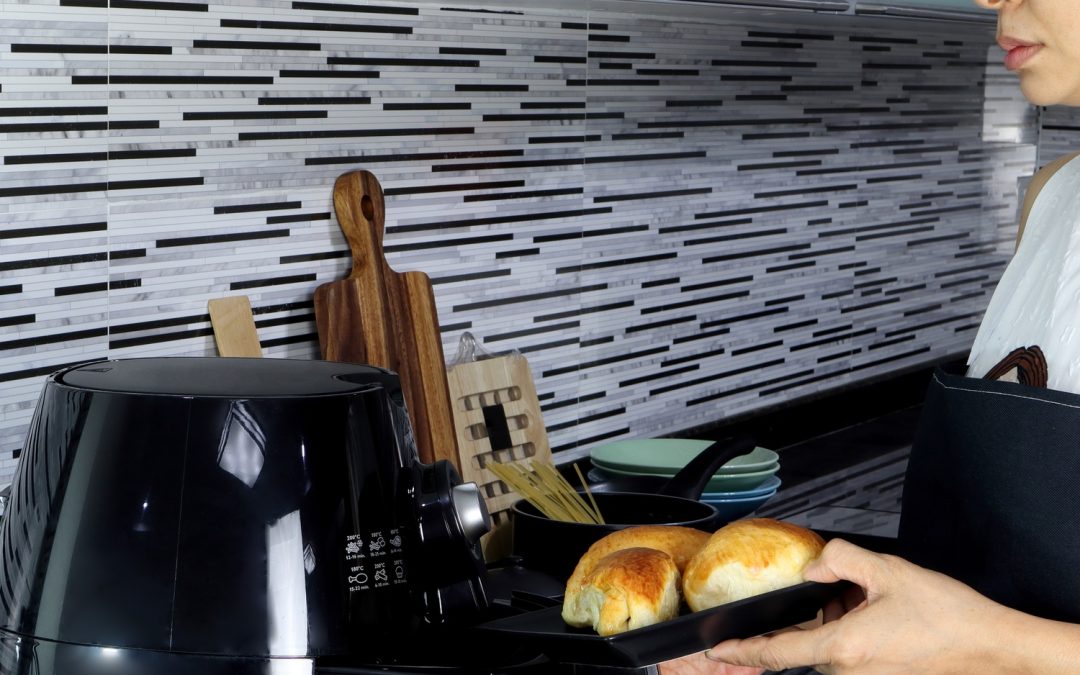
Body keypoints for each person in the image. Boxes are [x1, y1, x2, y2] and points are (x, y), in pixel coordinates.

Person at [662, 0, 1080, 671]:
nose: (989, 0)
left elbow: (983, 634)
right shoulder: (1054, 196)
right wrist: (856, 618)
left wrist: (974, 641)